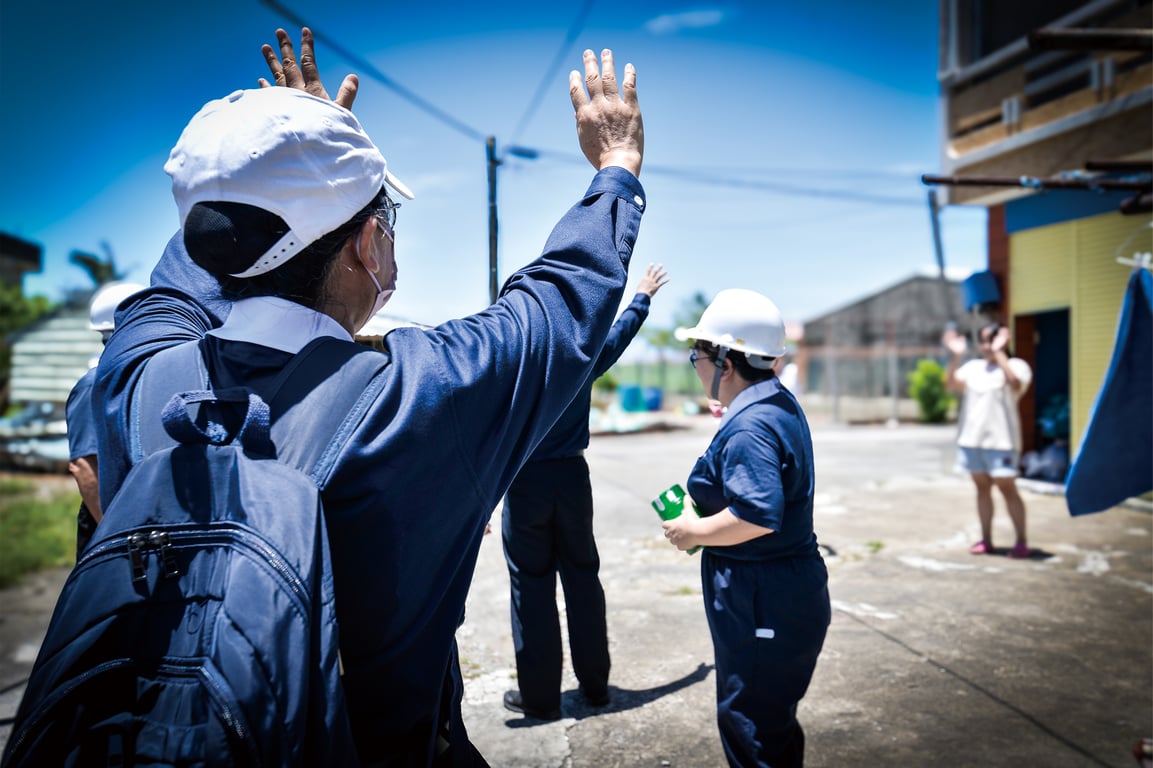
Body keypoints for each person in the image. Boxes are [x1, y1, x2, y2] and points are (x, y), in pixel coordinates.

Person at [92, 29, 646, 766]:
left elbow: (179, 280)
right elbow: (557, 305)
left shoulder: (137, 374)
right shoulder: (417, 395)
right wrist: (616, 164)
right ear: (363, 243)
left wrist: (270, 165)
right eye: (385, 222)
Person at [662, 288, 830, 768]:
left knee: (752, 727)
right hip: (781, 593)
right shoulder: (775, 403)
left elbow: (757, 514)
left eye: (697, 354)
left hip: (764, 598)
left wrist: (693, 532)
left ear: (725, 365)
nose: (693, 364)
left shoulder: (751, 428)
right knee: (770, 723)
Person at [501, 263, 669, 721]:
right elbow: (619, 335)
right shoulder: (580, 352)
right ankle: (595, 688)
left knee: (531, 587)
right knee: (582, 580)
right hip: (573, 480)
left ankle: (540, 697)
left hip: (525, 481)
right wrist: (642, 296)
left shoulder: (514, 356)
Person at [65, 281, 145, 557]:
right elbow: (85, 466)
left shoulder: (134, 377)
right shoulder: (94, 384)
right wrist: (117, 537)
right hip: (111, 527)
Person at [943, 322, 1034, 558]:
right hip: (972, 441)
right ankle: (986, 540)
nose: (986, 345)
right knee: (982, 490)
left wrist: (1000, 352)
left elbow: (1015, 384)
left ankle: (1021, 541)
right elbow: (950, 383)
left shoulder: (1015, 365)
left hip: (1001, 442)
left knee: (1008, 489)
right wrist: (957, 355)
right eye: (983, 340)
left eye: (991, 339)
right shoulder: (973, 368)